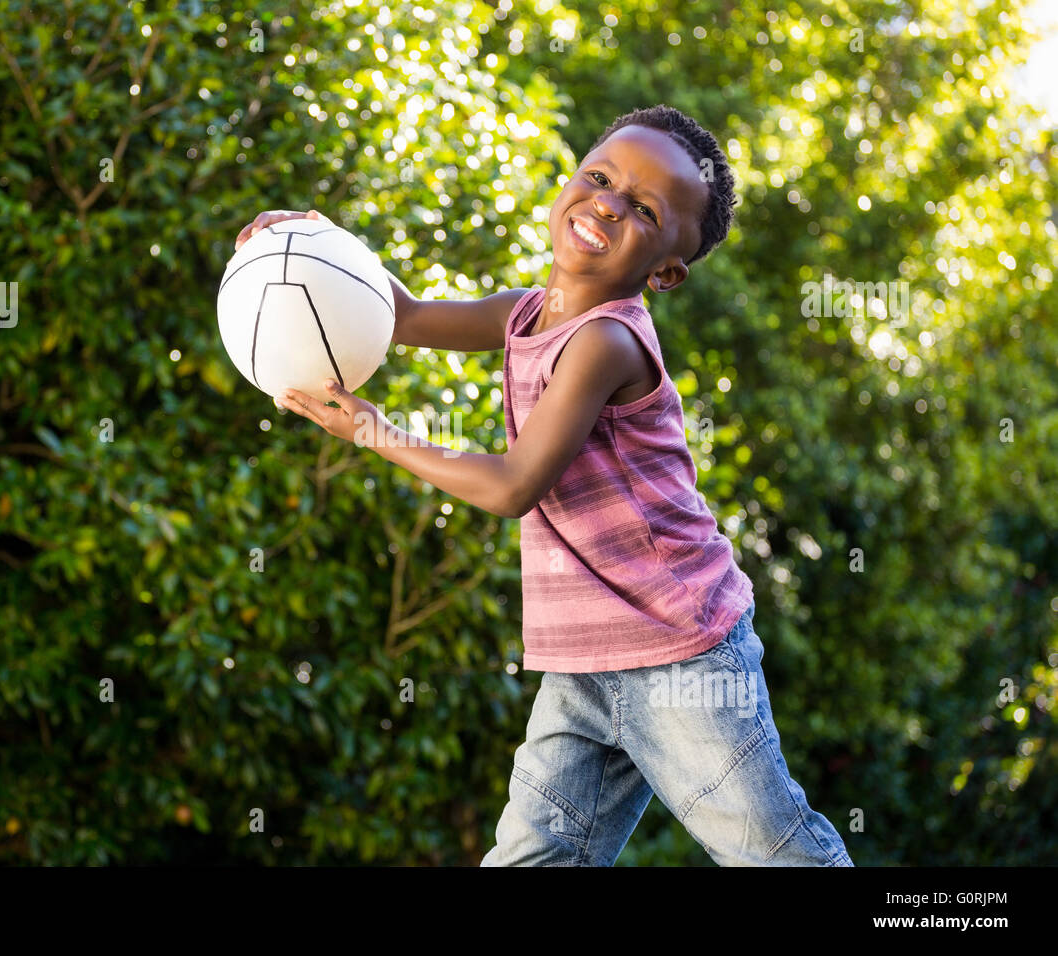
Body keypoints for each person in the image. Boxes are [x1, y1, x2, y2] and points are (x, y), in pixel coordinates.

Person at [254, 103, 853, 866]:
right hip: (583, 657)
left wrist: (377, 431)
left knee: (775, 853)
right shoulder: (527, 314)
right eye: (600, 178)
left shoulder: (606, 340)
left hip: (678, 653)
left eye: (644, 210)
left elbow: (513, 486)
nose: (608, 204)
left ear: (666, 272)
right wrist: (306, 248)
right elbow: (399, 314)